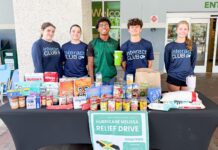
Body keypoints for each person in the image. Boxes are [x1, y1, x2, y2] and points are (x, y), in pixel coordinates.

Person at [164, 20, 197, 92]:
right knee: (174, 101)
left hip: (188, 77)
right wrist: (171, 73)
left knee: (186, 101)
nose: (183, 31)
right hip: (173, 77)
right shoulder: (169, 46)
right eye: (180, 29)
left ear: (188, 31)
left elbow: (193, 61)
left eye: (185, 29)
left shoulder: (192, 45)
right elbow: (167, 62)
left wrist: (189, 71)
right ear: (176, 30)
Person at [87, 17, 119, 85]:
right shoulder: (92, 43)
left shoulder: (115, 43)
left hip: (112, 78)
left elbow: (118, 62)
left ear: (109, 28)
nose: (104, 27)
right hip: (98, 78)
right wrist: (92, 79)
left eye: (106, 25)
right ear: (98, 29)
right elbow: (90, 63)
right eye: (101, 25)